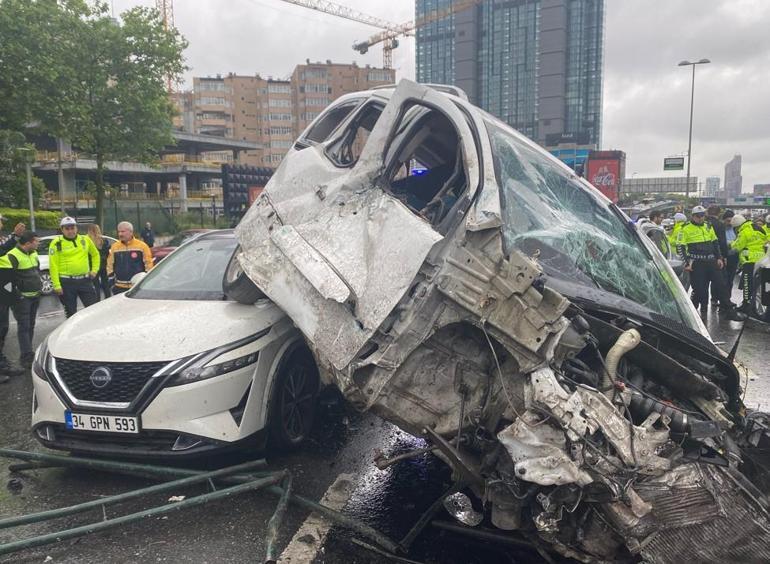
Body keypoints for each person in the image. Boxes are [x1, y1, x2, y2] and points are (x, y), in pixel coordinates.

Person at [677, 206, 742, 320]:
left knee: (722, 286)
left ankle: (729, 312)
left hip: (711, 261)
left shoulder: (708, 226)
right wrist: (687, 263)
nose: (701, 218)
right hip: (697, 263)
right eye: (698, 216)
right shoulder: (685, 228)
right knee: (699, 290)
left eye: (702, 215)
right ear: (692, 216)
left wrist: (719, 258)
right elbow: (680, 247)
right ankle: (690, 313)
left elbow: (715, 243)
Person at [0, 231, 42, 369]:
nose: (38, 243)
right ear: (28, 242)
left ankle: (28, 352)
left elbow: (37, 271)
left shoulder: (34, 253)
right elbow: (8, 278)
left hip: (35, 295)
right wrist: (17, 294)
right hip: (22, 298)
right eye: (36, 241)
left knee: (30, 325)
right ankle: (26, 356)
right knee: (23, 327)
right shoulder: (12, 255)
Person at [49, 217, 100, 318]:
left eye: (72, 228)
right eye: (67, 229)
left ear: (76, 228)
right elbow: (53, 265)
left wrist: (94, 270)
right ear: (62, 230)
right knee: (71, 313)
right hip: (66, 283)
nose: (70, 231)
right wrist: (57, 285)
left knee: (93, 310)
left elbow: (95, 255)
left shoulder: (85, 240)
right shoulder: (56, 243)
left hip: (85, 280)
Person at [0, 215, 28, 380]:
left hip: (4, 287)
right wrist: (15, 236)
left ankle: (2, 364)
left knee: (3, 327)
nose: (2, 223)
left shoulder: (3, 237)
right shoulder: (5, 240)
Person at [731, 214, 768, 313]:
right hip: (762, 261)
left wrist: (730, 244)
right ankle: (754, 305)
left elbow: (737, 246)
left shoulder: (744, 231)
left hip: (749, 261)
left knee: (747, 284)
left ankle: (746, 305)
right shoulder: (758, 228)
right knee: (757, 285)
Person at [107, 221, 154, 294]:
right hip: (119, 287)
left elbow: (148, 265)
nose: (120, 234)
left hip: (137, 286)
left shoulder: (142, 246)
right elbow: (110, 265)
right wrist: (112, 283)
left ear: (131, 232)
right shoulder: (114, 247)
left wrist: (145, 282)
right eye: (119, 232)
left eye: (123, 231)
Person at [706, 205, 730, 307]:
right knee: (719, 279)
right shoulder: (720, 225)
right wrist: (724, 256)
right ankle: (721, 302)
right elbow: (722, 242)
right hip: (717, 256)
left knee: (705, 280)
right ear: (719, 213)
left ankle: (704, 303)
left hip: (705, 255)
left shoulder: (704, 224)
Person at [87, 224, 112, 301]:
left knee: (96, 285)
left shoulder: (88, 241)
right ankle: (108, 300)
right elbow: (108, 253)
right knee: (105, 284)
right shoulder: (104, 240)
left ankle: (97, 301)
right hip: (104, 265)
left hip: (93, 266)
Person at [722, 210, 739, 301]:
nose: (730, 223)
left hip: (733, 257)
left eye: (731, 221)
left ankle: (727, 299)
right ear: (724, 220)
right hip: (723, 257)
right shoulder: (720, 229)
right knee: (722, 279)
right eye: (728, 221)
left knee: (730, 280)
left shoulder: (736, 229)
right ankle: (717, 298)